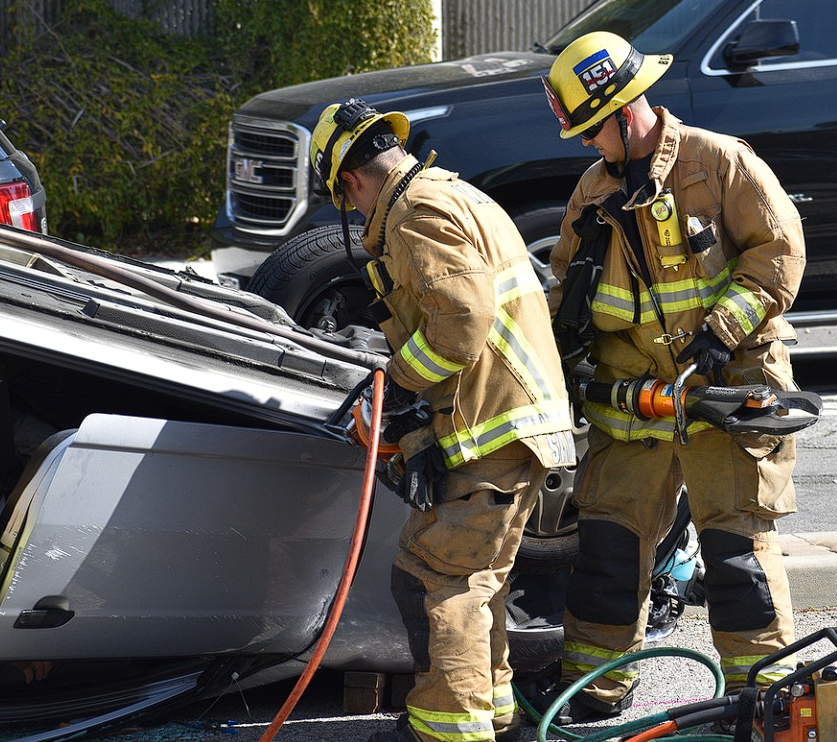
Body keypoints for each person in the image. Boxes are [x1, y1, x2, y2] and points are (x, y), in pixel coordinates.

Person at [538, 32, 808, 723]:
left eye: (590, 129)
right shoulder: (594, 191)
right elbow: (567, 285)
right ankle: (593, 696)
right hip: (634, 409)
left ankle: (761, 699)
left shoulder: (718, 163)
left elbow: (778, 256)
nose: (584, 146)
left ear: (625, 114)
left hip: (727, 395)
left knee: (735, 558)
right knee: (605, 554)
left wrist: (721, 334)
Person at [307, 98, 576, 742]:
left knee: (441, 579)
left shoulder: (416, 213)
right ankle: (498, 717)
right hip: (502, 424)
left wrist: (394, 382)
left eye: (350, 203)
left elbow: (460, 324)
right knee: (473, 580)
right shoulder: (447, 194)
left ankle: (446, 730)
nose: (358, 216)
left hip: (498, 428)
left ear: (349, 181)